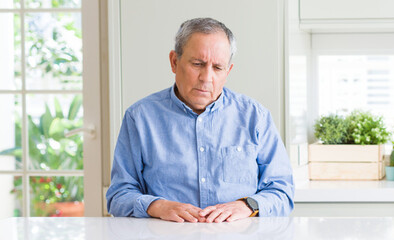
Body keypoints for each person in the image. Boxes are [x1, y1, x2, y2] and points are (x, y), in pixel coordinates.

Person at [106, 17, 294, 223]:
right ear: (174, 62)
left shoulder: (256, 117)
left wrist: (247, 205)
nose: (206, 77)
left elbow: (282, 192)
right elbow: (118, 195)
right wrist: (158, 206)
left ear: (228, 71)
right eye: (197, 64)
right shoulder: (140, 118)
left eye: (218, 68)